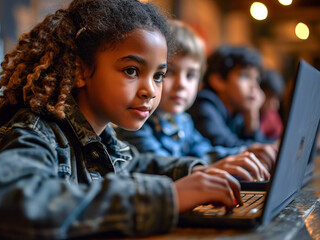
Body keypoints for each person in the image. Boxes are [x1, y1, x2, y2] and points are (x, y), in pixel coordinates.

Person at [0, 1, 244, 239]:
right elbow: (12, 203)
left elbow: (142, 164)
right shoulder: (33, 131)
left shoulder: (106, 140)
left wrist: (199, 172)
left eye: (158, 75)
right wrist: (167, 197)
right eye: (132, 70)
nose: (151, 90)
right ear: (80, 71)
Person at [116, 20, 271, 181]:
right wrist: (206, 168)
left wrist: (247, 153)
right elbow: (159, 167)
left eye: (190, 75)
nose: (181, 84)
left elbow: (205, 151)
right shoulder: (136, 123)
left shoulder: (183, 121)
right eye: (168, 72)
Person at [187, 45, 277, 152]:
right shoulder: (204, 106)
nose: (254, 86)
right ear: (218, 81)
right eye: (245, 76)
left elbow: (255, 142)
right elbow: (227, 146)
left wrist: (251, 118)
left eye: (256, 79)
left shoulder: (237, 111)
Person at [259, 69, 285, 140]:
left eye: (277, 99)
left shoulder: (273, 117)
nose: (276, 104)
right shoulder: (247, 113)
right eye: (271, 97)